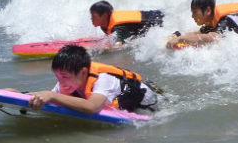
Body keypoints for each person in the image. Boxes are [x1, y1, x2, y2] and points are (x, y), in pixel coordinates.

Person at [26, 45, 161, 114]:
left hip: (147, 101)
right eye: (58, 77)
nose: (61, 83)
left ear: (83, 72)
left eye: (65, 77)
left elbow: (92, 107)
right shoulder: (67, 81)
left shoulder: (103, 79)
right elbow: (44, 97)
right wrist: (13, 93)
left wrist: (52, 96)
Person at [89, 0, 165, 45]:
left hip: (160, 19)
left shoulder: (119, 26)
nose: (91, 18)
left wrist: (98, 50)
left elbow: (118, 47)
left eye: (93, 16)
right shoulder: (104, 25)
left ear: (104, 16)